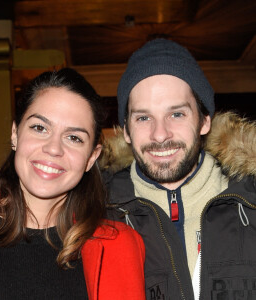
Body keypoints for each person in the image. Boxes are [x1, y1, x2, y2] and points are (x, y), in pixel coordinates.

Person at [0, 68, 146, 300]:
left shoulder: (119, 249)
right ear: (15, 133)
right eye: (40, 128)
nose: (54, 148)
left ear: (91, 158)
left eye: (74, 137)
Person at [100, 39, 256, 299]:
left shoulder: (250, 202)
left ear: (205, 120)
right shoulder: (95, 215)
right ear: (126, 130)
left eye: (177, 114)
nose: (160, 134)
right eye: (143, 117)